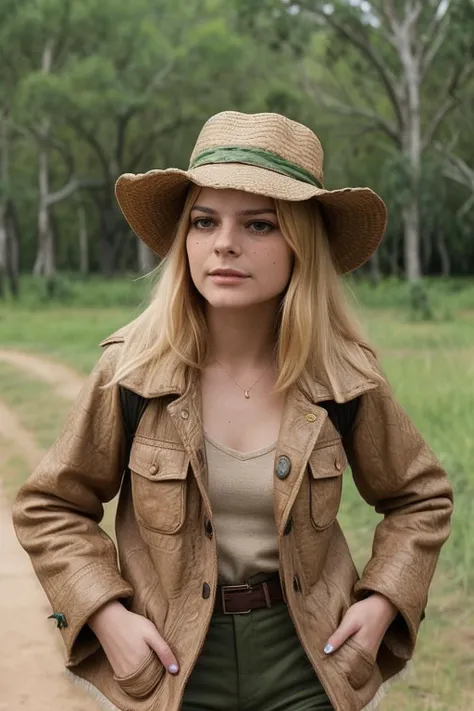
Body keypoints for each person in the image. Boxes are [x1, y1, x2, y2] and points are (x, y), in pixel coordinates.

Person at [12, 111, 453, 711]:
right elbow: (50, 506)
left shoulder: (344, 377)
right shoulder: (131, 370)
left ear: (301, 243)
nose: (224, 243)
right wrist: (106, 614)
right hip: (173, 663)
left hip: (310, 659)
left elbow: (420, 498)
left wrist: (381, 604)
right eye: (204, 221)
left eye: (259, 225)